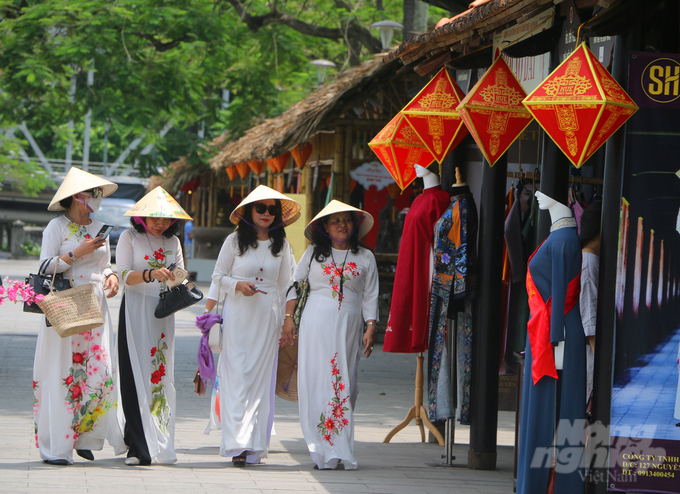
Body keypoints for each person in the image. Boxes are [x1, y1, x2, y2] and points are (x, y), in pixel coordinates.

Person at [33, 166, 124, 465]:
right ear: (76, 197)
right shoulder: (56, 227)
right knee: (63, 372)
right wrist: (77, 253)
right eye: (91, 193)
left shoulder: (100, 228)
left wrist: (111, 277)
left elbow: (106, 265)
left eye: (98, 193)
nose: (96, 198)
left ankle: (86, 437)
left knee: (96, 371)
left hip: (95, 304)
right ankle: (58, 444)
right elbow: (45, 267)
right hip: (66, 304)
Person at [281, 200, 379, 470]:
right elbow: (294, 285)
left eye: (346, 219)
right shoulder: (314, 253)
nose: (341, 225)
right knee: (316, 382)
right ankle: (320, 450)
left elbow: (370, 294)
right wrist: (288, 319)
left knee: (344, 382)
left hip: (349, 326)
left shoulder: (365, 257)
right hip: (315, 324)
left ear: (354, 224)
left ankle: (339, 448)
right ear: (324, 226)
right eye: (334, 220)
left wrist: (371, 325)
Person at [211, 185, 299, 466]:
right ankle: (236, 442)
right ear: (248, 211)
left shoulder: (282, 246)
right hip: (238, 317)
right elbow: (217, 276)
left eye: (273, 209)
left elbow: (289, 286)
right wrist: (237, 284)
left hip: (268, 319)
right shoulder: (234, 241)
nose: (267, 214)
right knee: (238, 377)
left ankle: (254, 444)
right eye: (261, 208)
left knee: (260, 381)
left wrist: (289, 320)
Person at [115, 186, 191, 466]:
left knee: (159, 374)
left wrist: (178, 279)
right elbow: (122, 275)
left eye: (166, 218)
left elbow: (180, 277)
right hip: (135, 310)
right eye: (154, 217)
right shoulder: (129, 237)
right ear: (141, 216)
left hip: (162, 314)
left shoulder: (174, 242)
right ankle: (137, 446)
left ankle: (159, 438)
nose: (160, 223)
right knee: (134, 372)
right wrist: (150, 273)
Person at [516, 191, 586, 494]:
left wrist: (555, 340)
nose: (535, 195)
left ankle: (545, 485)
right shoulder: (561, 235)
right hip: (547, 331)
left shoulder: (563, 241)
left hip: (554, 335)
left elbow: (559, 295)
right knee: (546, 409)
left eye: (542, 191)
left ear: (558, 196)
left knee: (550, 410)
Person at [579, 200, 602, 401]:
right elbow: (590, 320)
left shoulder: (588, 259)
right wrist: (602, 368)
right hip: (589, 356)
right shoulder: (589, 262)